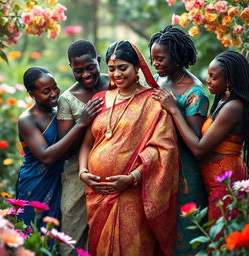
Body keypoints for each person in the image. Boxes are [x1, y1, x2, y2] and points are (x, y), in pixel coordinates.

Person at [78, 40, 180, 256]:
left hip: (131, 194)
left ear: (138, 68)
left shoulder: (153, 102)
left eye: (123, 67)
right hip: (97, 195)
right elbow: (88, 143)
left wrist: (132, 177)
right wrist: (82, 172)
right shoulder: (99, 99)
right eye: (112, 68)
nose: (116, 74)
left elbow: (163, 151)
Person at [154, 50, 248, 221]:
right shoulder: (223, 100)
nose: (208, 80)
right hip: (214, 182)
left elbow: (199, 149)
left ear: (229, 81)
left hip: (225, 182)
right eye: (209, 75)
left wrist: (175, 110)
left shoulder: (233, 107)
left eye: (213, 77)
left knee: (222, 241)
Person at [16, 66, 102, 231]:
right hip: (36, 182)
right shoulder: (27, 120)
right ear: (32, 95)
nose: (54, 93)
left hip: (60, 178)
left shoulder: (60, 110)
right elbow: (46, 157)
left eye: (55, 87)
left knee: (59, 232)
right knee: (33, 233)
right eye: (46, 91)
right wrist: (81, 123)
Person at [149, 25, 209, 255]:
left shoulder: (195, 92)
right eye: (153, 58)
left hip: (185, 173)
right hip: (160, 168)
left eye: (160, 59)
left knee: (186, 232)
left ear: (177, 57)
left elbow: (195, 144)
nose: (155, 64)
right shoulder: (158, 80)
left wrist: (174, 109)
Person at [57, 40, 109, 255]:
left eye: (90, 68)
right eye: (78, 71)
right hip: (77, 174)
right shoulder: (67, 99)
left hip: (111, 172)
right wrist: (84, 121)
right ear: (71, 68)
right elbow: (65, 148)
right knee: (72, 230)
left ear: (98, 61)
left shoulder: (114, 84)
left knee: (107, 231)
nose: (86, 75)